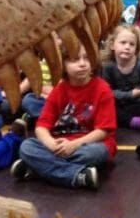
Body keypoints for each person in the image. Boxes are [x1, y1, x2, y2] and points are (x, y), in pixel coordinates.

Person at [11, 45, 116, 190]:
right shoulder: (59, 90)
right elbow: (41, 127)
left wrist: (74, 145)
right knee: (26, 147)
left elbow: (103, 131)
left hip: (87, 145)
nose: (82, 63)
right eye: (74, 59)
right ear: (62, 64)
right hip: (59, 145)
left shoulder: (103, 89)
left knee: (99, 153)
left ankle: (37, 169)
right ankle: (77, 176)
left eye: (87, 58)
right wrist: (51, 145)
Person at [100, 26, 140, 130]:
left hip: (138, 103)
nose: (127, 47)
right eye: (123, 42)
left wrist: (137, 99)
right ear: (112, 45)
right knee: (106, 106)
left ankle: (126, 120)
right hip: (118, 103)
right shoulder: (108, 66)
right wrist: (129, 95)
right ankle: (134, 122)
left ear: (136, 49)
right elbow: (107, 92)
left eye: (132, 44)